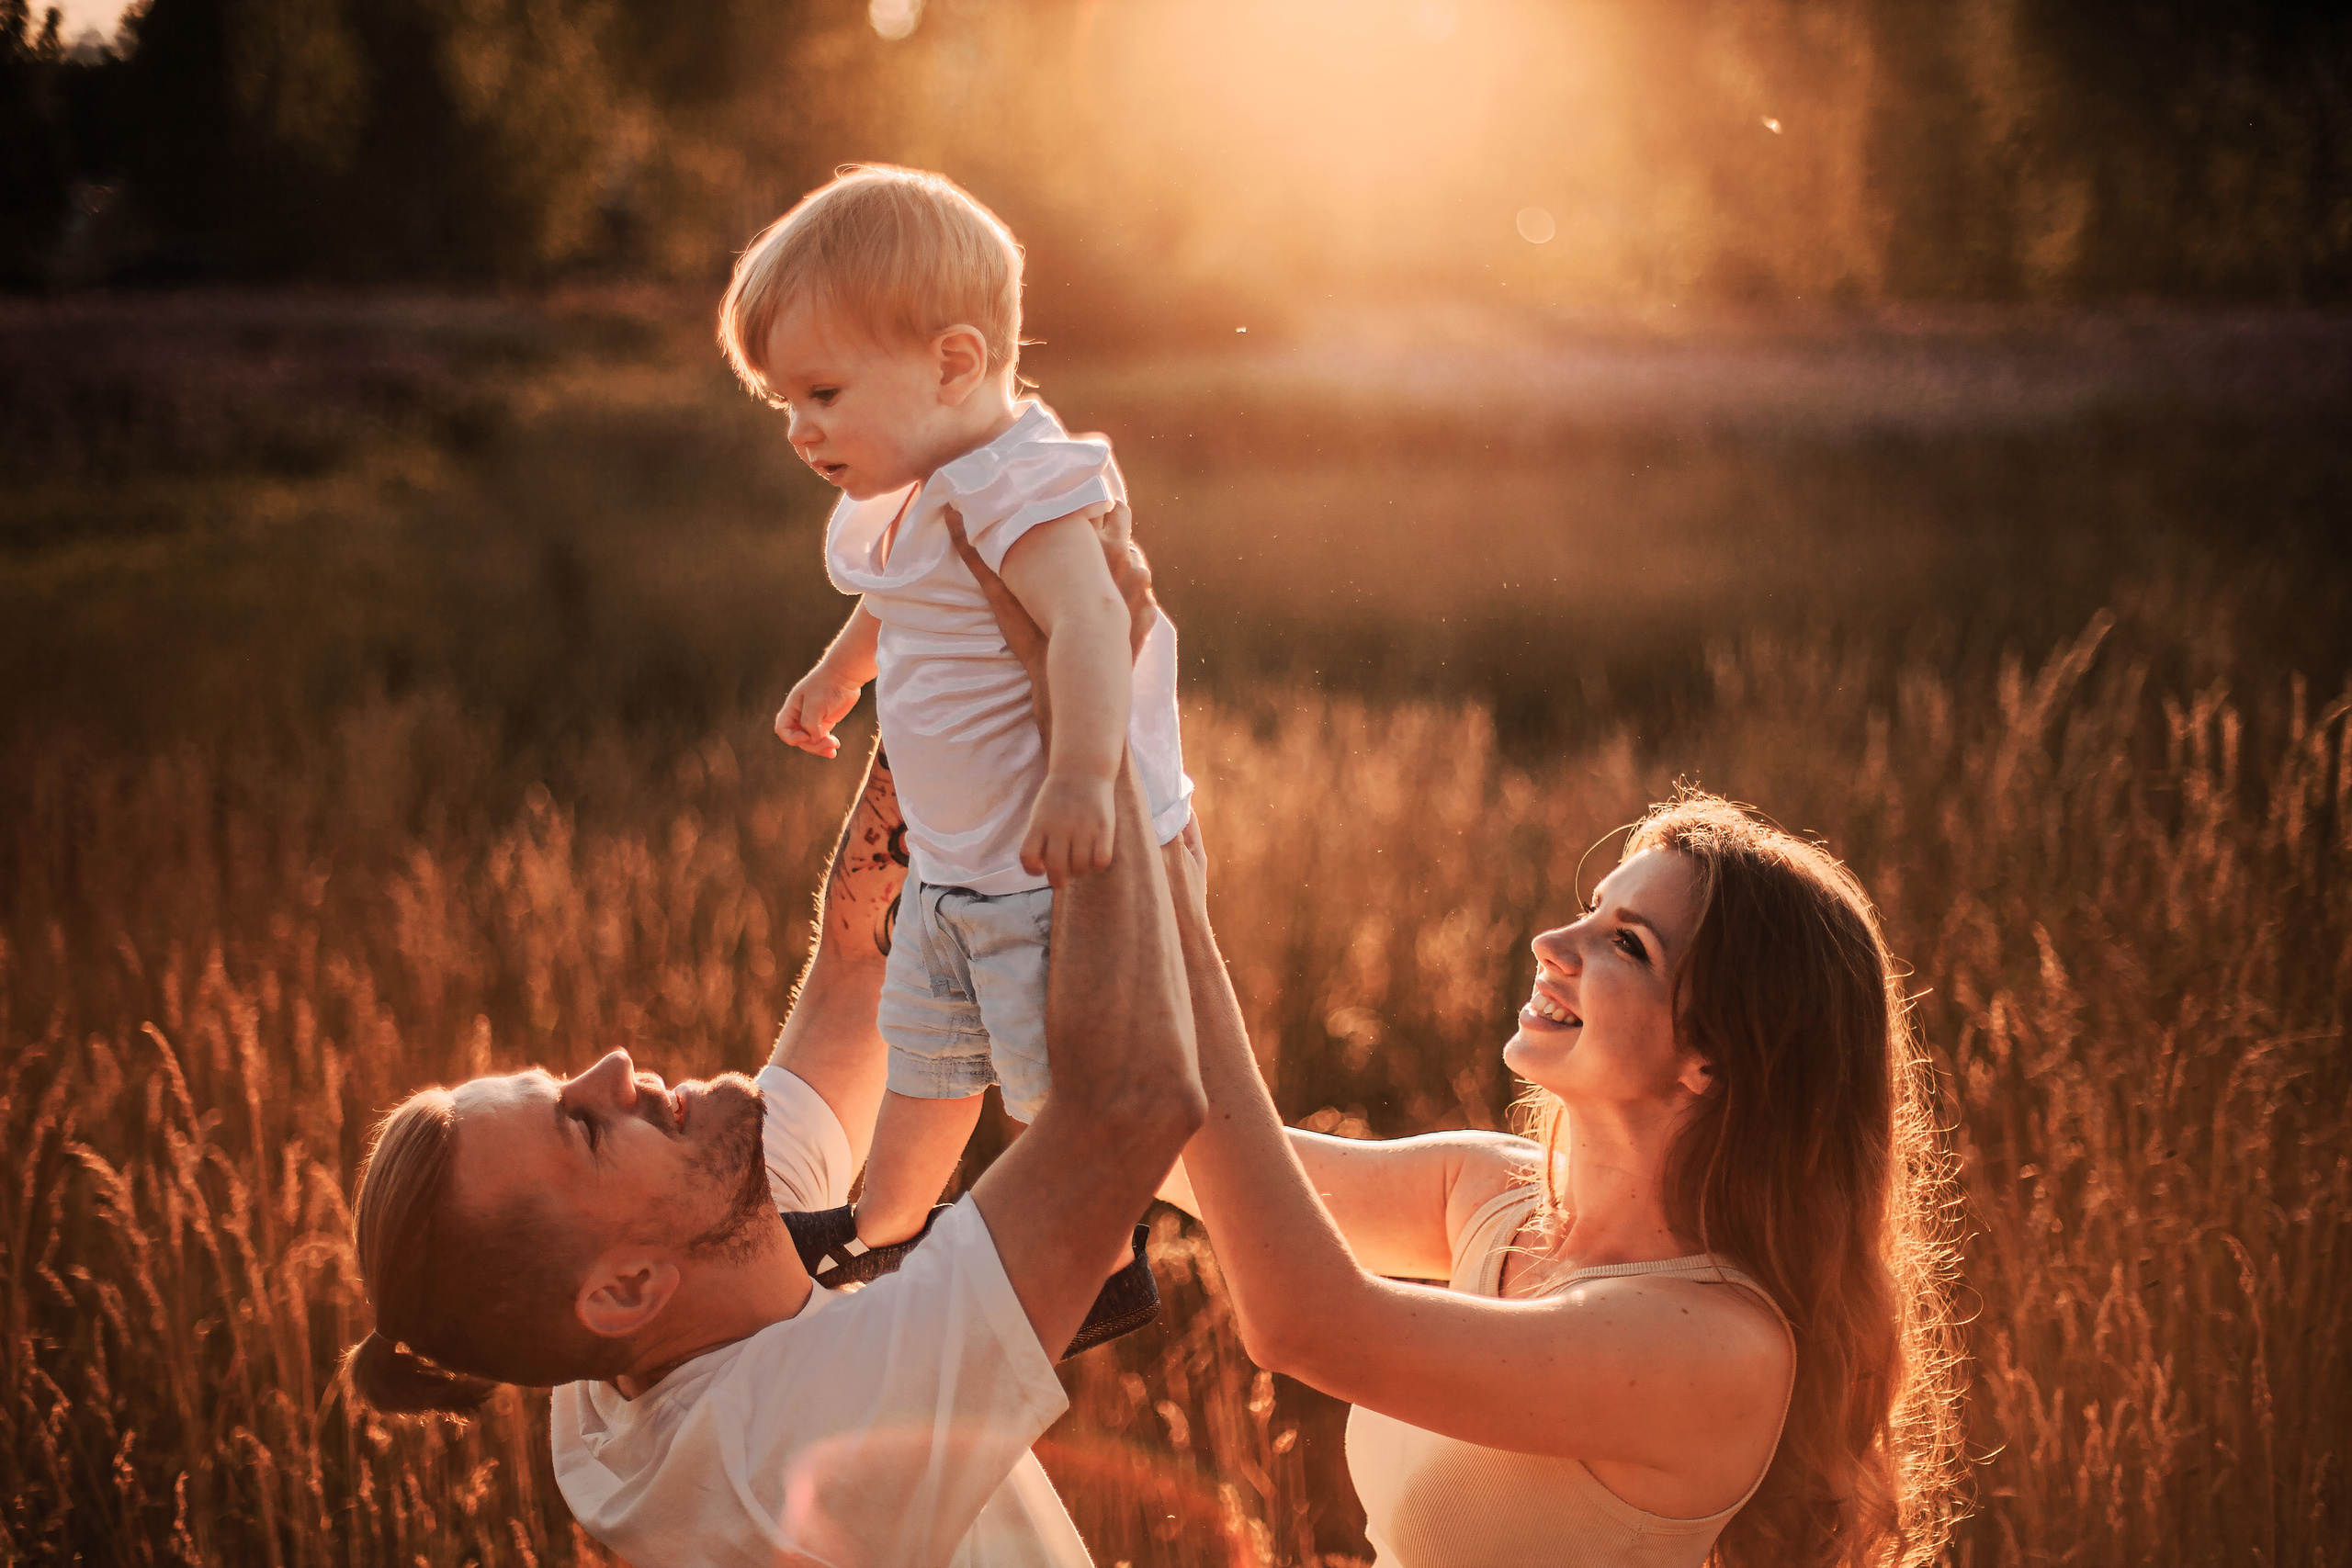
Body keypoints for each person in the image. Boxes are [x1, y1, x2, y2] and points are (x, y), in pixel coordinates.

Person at [337, 514, 1202, 1565]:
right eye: (584, 1127)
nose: (613, 1069)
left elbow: (859, 962)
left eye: (564, 1082)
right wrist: (1086, 702)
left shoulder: (638, 1310)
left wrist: (946, 640)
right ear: (624, 1290)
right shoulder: (795, 1447)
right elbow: (1130, 1111)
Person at [1154, 794, 1967, 1567]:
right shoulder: (1493, 1194)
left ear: (1714, 1058)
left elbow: (1302, 1323)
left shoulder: (1721, 1346)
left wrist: (1186, 932)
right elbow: (1173, 1145)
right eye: (1590, 907)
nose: (1552, 940)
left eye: (1628, 943)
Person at [717, 164, 1193, 1291]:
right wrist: (836, 674)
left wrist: (1079, 780)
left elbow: (1093, 623)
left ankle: (1095, 1260)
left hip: (1043, 870)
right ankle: (879, 1226)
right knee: (928, 1066)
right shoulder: (924, 485)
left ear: (952, 364)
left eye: (821, 394)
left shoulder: (1019, 485)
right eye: (784, 406)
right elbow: (900, 598)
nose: (800, 431)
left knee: (1055, 1086)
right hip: (949, 870)